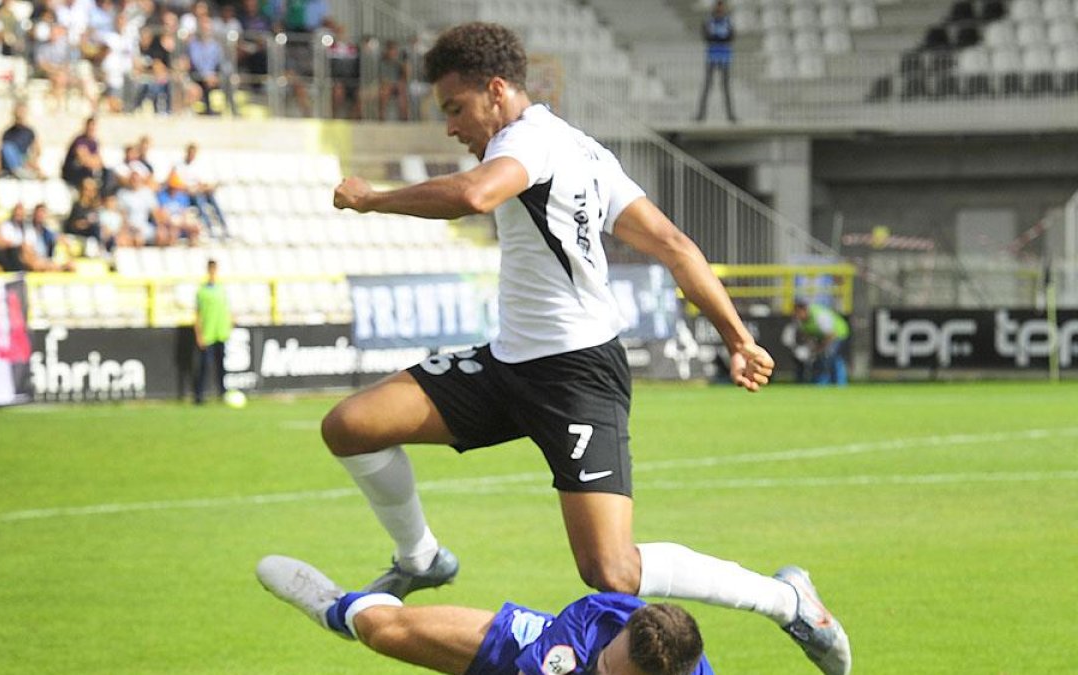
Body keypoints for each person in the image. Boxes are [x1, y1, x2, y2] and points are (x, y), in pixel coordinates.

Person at [329, 22, 849, 675]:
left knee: (611, 570)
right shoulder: (585, 150)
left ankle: (787, 600)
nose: (451, 128)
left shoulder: (529, 144)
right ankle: (421, 558)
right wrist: (737, 339)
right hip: (507, 363)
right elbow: (677, 248)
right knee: (351, 426)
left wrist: (372, 199)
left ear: (496, 91)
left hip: (576, 376)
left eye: (455, 109)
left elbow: (473, 194)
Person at [257, 554, 714, 675]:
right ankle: (335, 607)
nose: (606, 674)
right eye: (609, 665)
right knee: (382, 631)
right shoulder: (597, 619)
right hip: (529, 648)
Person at [194, 259, 232, 404]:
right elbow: (197, 314)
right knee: (204, 365)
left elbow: (226, 310)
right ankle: (200, 395)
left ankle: (222, 393)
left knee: (221, 365)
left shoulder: (221, 288)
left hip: (220, 332)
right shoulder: (202, 291)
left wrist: (229, 325)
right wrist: (199, 334)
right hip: (207, 333)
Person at [694, 1, 736, 124]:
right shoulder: (708, 21)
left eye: (721, 8)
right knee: (707, 86)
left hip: (724, 58)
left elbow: (731, 37)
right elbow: (707, 37)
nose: (720, 10)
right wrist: (720, 38)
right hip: (712, 57)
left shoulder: (728, 21)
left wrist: (717, 38)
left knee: (726, 88)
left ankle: (730, 115)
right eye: (718, 8)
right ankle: (700, 115)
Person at [792, 299, 850, 386]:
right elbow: (806, 334)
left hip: (838, 334)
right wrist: (812, 347)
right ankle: (821, 383)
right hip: (822, 337)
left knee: (832, 357)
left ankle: (840, 383)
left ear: (804, 309)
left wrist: (820, 348)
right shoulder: (799, 320)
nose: (797, 315)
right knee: (821, 359)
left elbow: (831, 335)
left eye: (798, 312)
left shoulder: (820, 316)